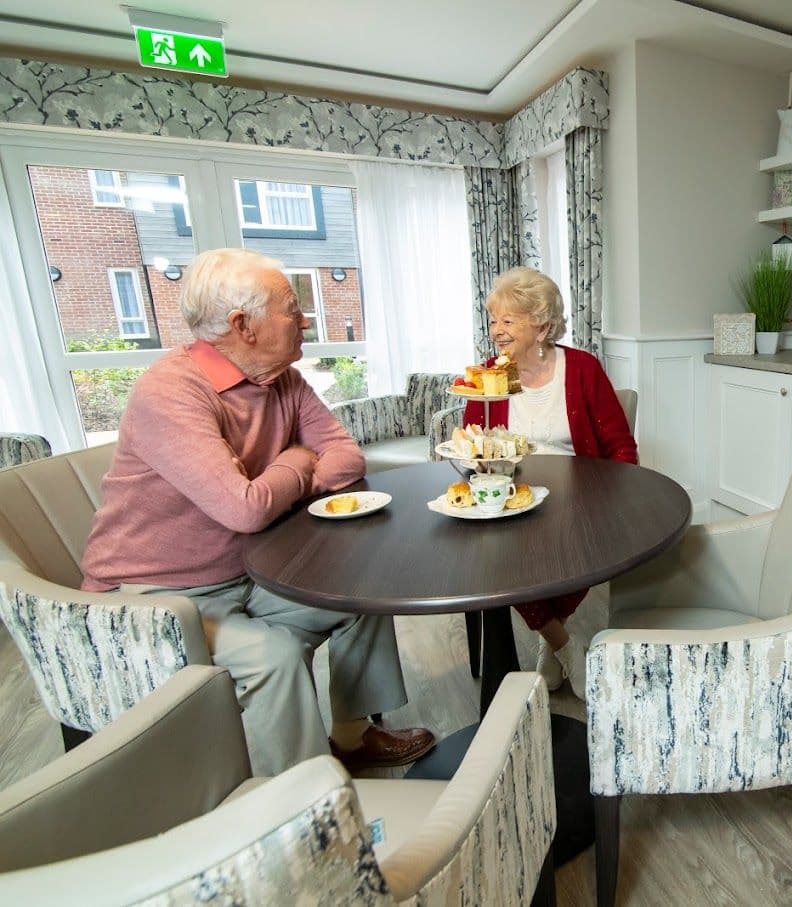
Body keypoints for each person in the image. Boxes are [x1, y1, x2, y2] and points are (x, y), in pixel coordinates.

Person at [81, 248, 434, 776]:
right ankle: (301, 803)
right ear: (243, 325)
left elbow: (345, 455)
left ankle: (353, 736)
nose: (306, 318)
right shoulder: (171, 391)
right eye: (292, 307)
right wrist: (295, 460)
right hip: (155, 598)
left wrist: (278, 484)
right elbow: (243, 510)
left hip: (246, 575)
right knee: (274, 657)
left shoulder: (282, 380)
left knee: (363, 593)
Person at [464, 267, 637, 697]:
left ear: (542, 325)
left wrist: (620, 497)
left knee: (582, 554)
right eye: (493, 320)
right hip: (513, 500)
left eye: (508, 321)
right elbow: (473, 447)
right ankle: (563, 645)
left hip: (577, 499)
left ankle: (548, 638)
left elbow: (619, 444)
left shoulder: (581, 369)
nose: (496, 332)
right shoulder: (488, 376)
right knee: (508, 564)